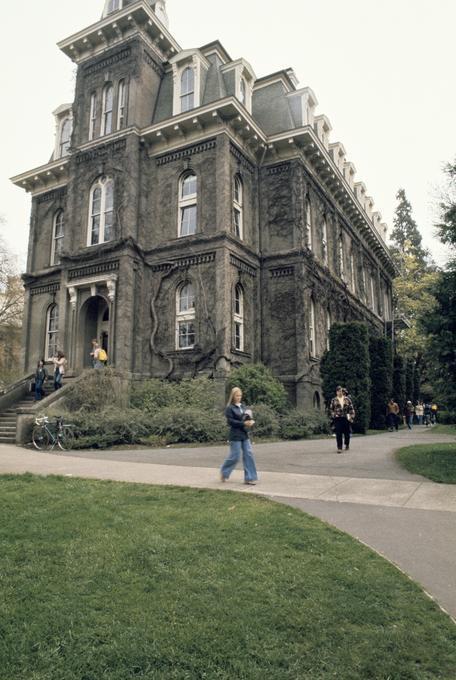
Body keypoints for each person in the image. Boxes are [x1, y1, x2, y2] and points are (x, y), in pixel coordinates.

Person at [220, 387, 258, 485]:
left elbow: (246, 417)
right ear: (233, 396)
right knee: (235, 456)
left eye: (240, 395)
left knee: (249, 454)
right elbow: (231, 422)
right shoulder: (230, 408)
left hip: (244, 434)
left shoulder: (243, 407)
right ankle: (224, 472)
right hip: (235, 435)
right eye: (237, 395)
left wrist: (250, 421)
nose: (239, 397)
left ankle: (249, 478)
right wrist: (244, 423)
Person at [330, 385, 355, 453]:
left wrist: (351, 417)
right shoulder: (334, 400)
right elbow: (331, 410)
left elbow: (351, 409)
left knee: (347, 433)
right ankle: (339, 447)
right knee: (338, 433)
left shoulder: (347, 399)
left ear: (342, 392)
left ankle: (347, 444)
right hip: (338, 419)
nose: (339, 392)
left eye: (340, 391)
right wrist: (334, 415)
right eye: (338, 391)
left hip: (346, 418)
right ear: (336, 392)